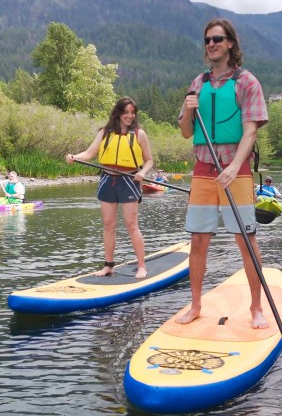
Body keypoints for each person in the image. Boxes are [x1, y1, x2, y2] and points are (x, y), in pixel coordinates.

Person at [176, 18, 270, 329]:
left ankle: (257, 308)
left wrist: (232, 167)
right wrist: (189, 109)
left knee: (246, 239)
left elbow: (251, 132)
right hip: (203, 169)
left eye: (217, 38)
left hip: (237, 169)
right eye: (207, 40)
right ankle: (196, 305)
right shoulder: (197, 83)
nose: (212, 44)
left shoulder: (247, 82)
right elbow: (186, 132)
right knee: (198, 240)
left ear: (230, 43)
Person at [66, 97, 154, 279]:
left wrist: (143, 172)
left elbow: (149, 160)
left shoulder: (139, 134)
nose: (129, 116)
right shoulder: (105, 132)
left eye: (132, 113)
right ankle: (108, 266)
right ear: (118, 113)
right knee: (108, 224)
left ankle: (142, 266)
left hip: (129, 180)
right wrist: (75, 157)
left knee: (131, 224)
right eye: (126, 112)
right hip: (108, 180)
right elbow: (90, 153)